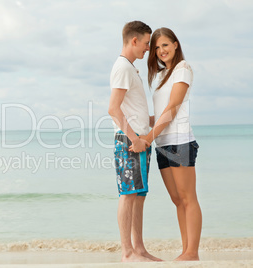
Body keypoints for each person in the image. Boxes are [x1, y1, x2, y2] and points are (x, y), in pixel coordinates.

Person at [140, 27, 202, 261]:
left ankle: (192, 253)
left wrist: (148, 137)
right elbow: (162, 113)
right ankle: (185, 250)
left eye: (165, 45)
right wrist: (140, 121)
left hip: (180, 142)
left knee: (188, 198)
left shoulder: (182, 69)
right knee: (177, 200)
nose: (160, 51)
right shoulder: (161, 76)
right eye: (156, 48)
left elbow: (173, 108)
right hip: (163, 143)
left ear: (176, 44)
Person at [108, 21, 161, 262]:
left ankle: (139, 249)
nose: (149, 48)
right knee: (128, 195)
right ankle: (127, 252)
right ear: (134, 41)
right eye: (147, 42)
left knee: (139, 195)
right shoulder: (122, 67)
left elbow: (130, 108)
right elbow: (113, 109)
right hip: (130, 142)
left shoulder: (130, 68)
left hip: (139, 141)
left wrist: (154, 119)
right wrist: (135, 139)